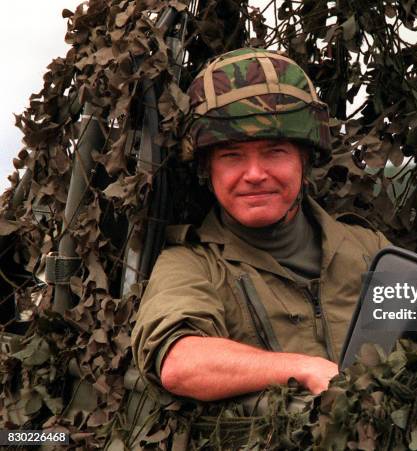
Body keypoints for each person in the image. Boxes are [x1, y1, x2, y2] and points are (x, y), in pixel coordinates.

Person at [131, 48, 390, 402]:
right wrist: (302, 368)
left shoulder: (370, 252)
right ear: (208, 170)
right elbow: (180, 362)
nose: (254, 175)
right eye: (232, 156)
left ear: (304, 159)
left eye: (274, 152)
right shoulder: (194, 265)